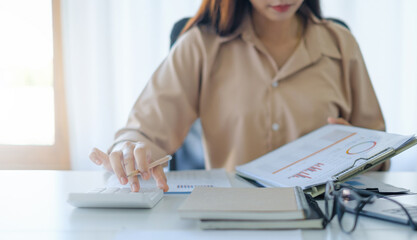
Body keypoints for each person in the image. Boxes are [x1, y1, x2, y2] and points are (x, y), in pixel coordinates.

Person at [89, 0, 388, 193]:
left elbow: (380, 149)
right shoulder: (200, 46)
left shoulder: (341, 43)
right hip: (231, 216)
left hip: (325, 216)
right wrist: (129, 148)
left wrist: (359, 148)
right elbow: (144, 131)